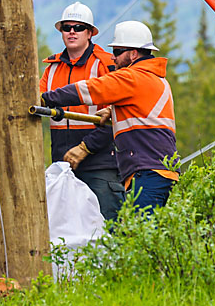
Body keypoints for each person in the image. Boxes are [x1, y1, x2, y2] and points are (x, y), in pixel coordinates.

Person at [42, 21, 177, 211]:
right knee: (139, 232)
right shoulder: (156, 79)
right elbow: (141, 112)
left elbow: (88, 89)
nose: (113, 59)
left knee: (138, 235)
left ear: (133, 54)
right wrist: (113, 111)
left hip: (147, 170)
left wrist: (46, 99)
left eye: (117, 52)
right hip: (156, 169)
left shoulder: (131, 77)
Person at [38, 1, 124, 220]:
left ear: (90, 33)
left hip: (100, 165)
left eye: (78, 27)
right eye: (67, 27)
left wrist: (85, 148)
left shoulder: (106, 64)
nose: (72, 32)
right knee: (66, 236)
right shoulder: (52, 68)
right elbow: (34, 102)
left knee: (108, 231)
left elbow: (118, 115)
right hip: (62, 166)